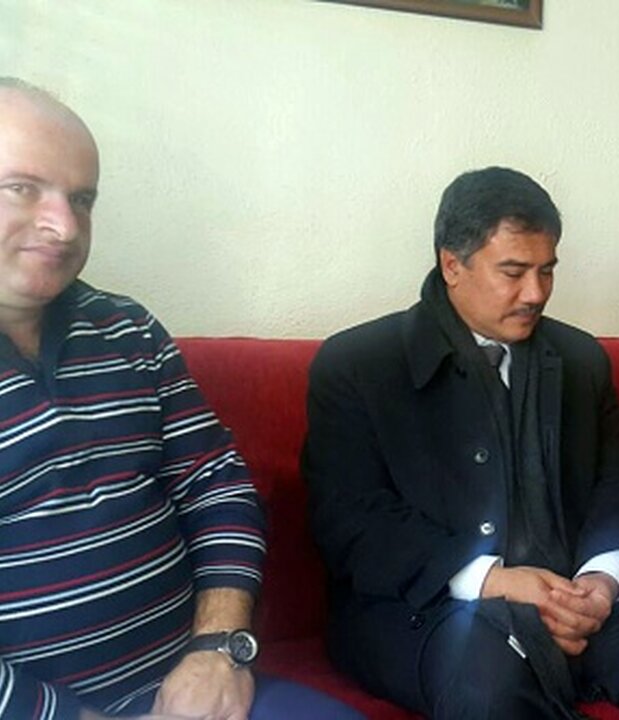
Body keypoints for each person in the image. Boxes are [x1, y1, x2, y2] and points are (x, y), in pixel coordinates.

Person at [302, 166, 619, 719]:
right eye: (513, 272)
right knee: (486, 683)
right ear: (452, 264)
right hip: (430, 604)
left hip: (571, 590)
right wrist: (493, 580)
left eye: (547, 271)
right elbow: (350, 516)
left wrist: (601, 582)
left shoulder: (581, 360)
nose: (535, 293)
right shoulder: (359, 365)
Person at [0, 78, 360, 719]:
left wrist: (218, 649)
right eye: (23, 188)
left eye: (81, 199)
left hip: (196, 690)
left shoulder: (127, 329)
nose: (64, 225)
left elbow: (215, 483)